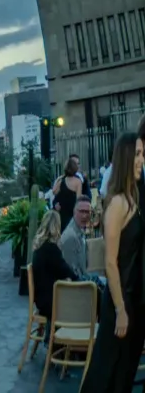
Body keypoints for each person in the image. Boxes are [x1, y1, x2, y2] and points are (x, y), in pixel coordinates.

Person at [79, 132, 145, 393]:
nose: (141, 159)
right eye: (137, 154)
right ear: (126, 157)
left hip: (135, 301)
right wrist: (120, 310)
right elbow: (110, 262)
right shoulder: (117, 203)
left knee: (124, 376)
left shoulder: (134, 200)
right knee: (106, 374)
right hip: (121, 302)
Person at [31, 210, 79, 326]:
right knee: (88, 297)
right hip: (50, 302)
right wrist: (78, 279)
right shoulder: (51, 249)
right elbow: (66, 271)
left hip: (41, 299)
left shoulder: (40, 247)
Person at [53, 156, 86, 231]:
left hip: (62, 214)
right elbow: (78, 200)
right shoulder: (78, 182)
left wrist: (59, 179)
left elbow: (54, 191)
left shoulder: (62, 180)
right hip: (72, 214)